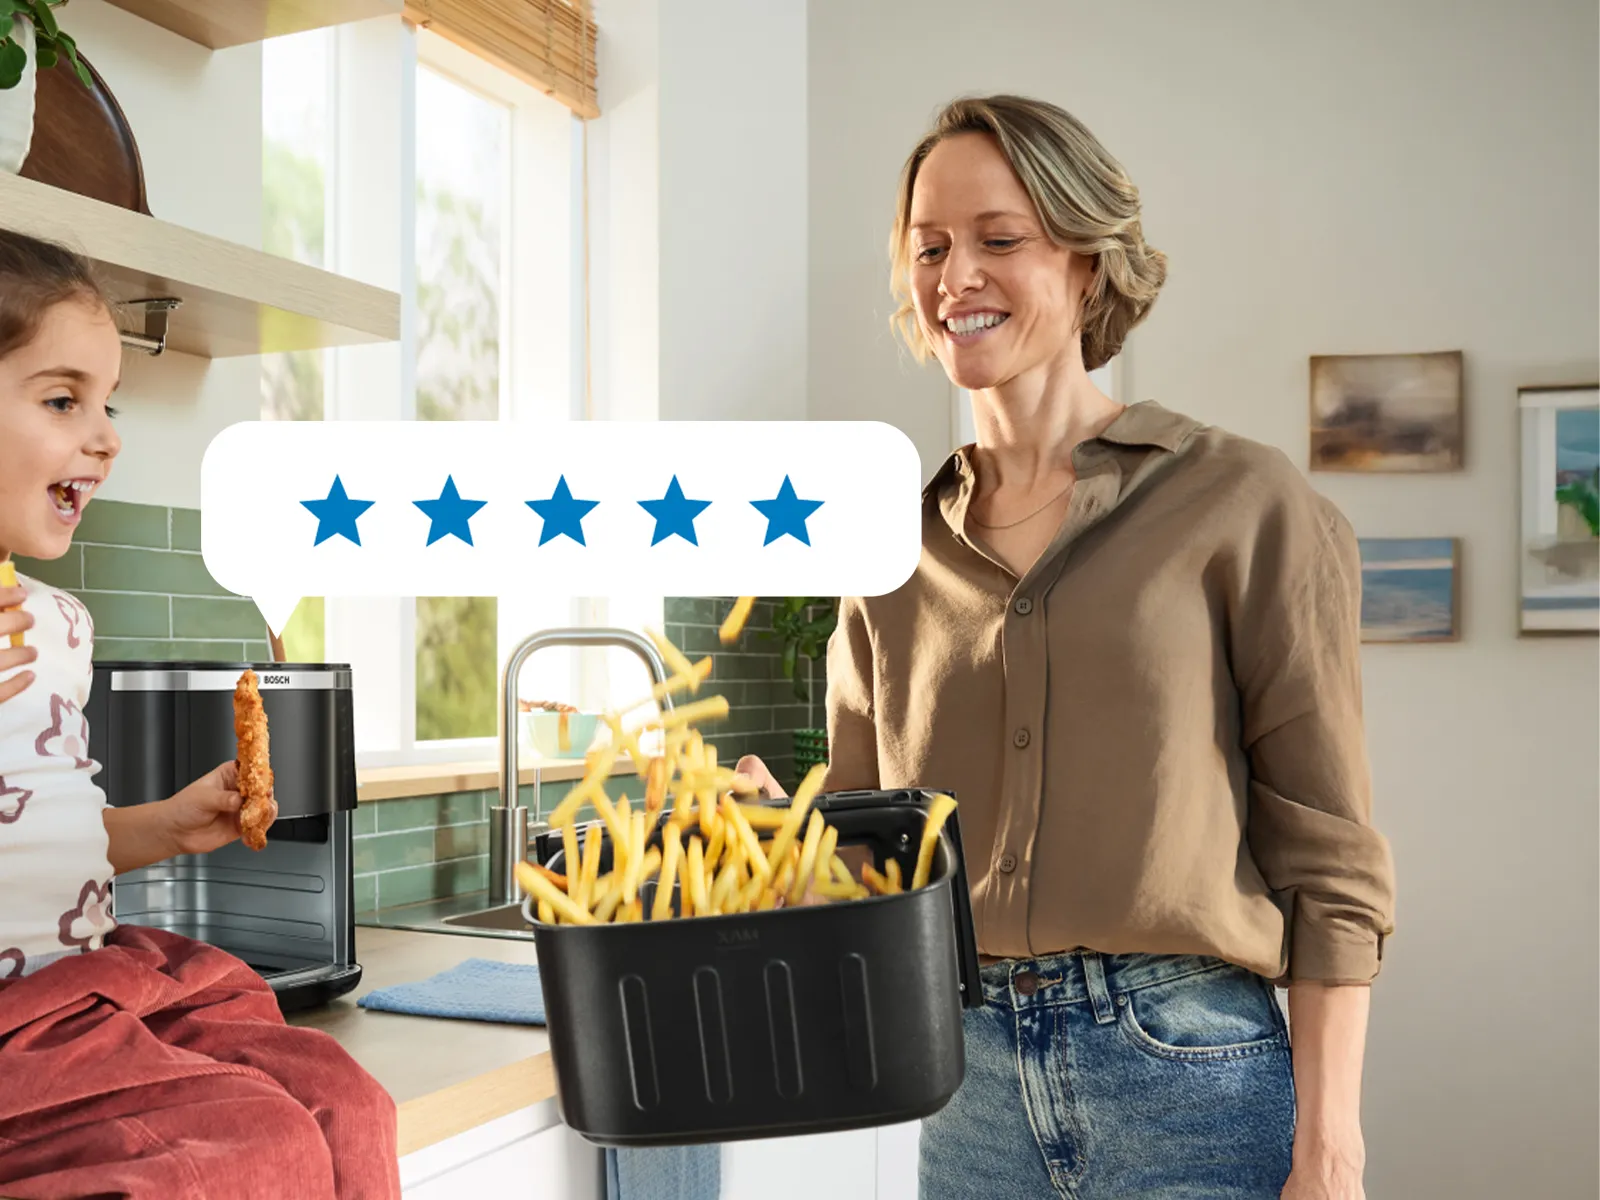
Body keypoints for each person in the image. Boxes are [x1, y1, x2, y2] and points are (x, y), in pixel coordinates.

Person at [738, 94, 1396, 1200]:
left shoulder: (1240, 501)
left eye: (1000, 240)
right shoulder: (885, 547)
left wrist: (1330, 1150)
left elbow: (1329, 856)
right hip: (972, 1087)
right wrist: (770, 846)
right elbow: (871, 858)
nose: (957, 277)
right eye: (930, 247)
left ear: (1089, 265)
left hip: (1188, 1074)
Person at [0, 229, 400, 1199]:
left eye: (108, 403)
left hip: (89, 975)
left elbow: (39, 841)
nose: (106, 435)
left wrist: (166, 826)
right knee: (251, 1147)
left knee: (348, 1101)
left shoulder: (60, 623)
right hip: (17, 1023)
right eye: (62, 400)